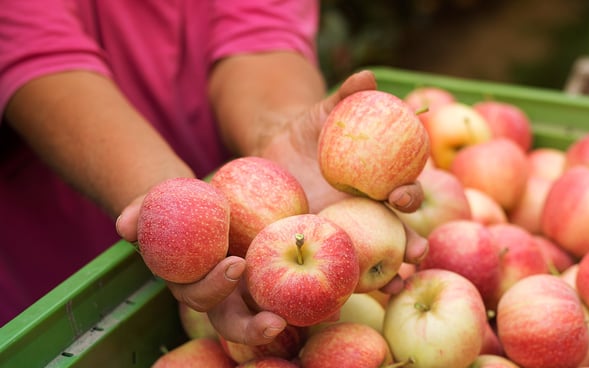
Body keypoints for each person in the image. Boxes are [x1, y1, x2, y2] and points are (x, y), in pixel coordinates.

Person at [0, 1, 426, 343]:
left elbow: (259, 32)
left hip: (231, 234)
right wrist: (172, 204)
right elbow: (37, 57)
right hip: (57, 263)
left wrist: (274, 133)